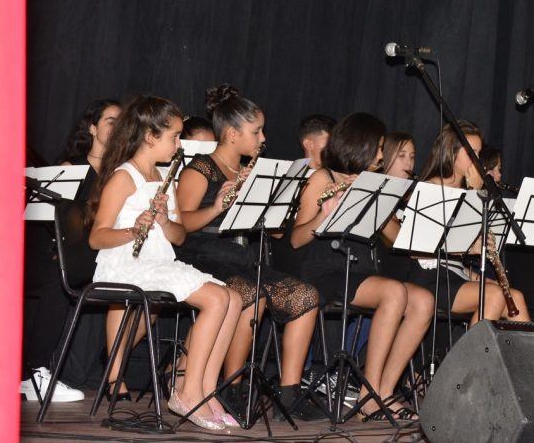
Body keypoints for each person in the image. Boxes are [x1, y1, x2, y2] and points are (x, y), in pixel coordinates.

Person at [88, 96, 240, 432]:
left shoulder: (164, 177)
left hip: (158, 262)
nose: (178, 144)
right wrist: (134, 228)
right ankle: (187, 393)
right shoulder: (124, 177)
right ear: (149, 137)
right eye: (173, 136)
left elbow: (179, 237)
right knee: (215, 299)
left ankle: (207, 391)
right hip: (126, 265)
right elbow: (97, 238)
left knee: (234, 297)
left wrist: (162, 220)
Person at [175, 85, 322, 421]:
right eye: (256, 131)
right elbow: (181, 227)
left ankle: (291, 392)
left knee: (305, 295)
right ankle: (233, 387)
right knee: (248, 293)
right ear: (231, 133)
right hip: (202, 255)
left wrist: (273, 200)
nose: (263, 138)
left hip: (240, 258)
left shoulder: (254, 172)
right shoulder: (200, 169)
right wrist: (216, 207)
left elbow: (276, 232)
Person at [291, 112, 433, 421]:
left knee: (423, 300)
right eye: (379, 147)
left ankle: (384, 388)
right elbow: (296, 239)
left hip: (362, 272)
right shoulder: (322, 178)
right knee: (394, 293)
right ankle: (369, 395)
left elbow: (396, 240)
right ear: (361, 145)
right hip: (326, 271)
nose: (382, 155)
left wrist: (383, 200)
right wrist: (323, 217)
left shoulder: (372, 183)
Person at [20, 99, 121, 403]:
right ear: (92, 129)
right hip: (66, 254)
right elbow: (47, 223)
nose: (117, 127)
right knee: (56, 274)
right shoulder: (71, 168)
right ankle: (33, 372)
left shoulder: (123, 174)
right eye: (110, 121)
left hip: (104, 254)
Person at [386, 121, 531, 324]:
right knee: (494, 295)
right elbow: (417, 249)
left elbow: (461, 257)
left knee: (516, 297)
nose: (477, 161)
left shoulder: (469, 191)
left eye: (478, 154)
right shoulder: (432, 188)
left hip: (457, 274)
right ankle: (468, 357)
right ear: (451, 154)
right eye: (471, 153)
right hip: (430, 278)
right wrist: (474, 196)